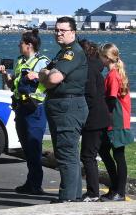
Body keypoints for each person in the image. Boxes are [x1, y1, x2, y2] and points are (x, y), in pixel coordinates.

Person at [39, 16, 88, 203]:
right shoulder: (62, 53)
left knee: (66, 153)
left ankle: (67, 200)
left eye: (63, 30)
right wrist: (45, 73)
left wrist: (45, 75)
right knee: (69, 154)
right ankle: (73, 197)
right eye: (56, 30)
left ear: (73, 33)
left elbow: (52, 78)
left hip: (67, 107)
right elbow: (45, 71)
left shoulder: (72, 53)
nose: (58, 33)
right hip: (63, 106)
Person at [0, 29, 50, 195]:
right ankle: (30, 181)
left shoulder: (42, 62)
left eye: (21, 43)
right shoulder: (20, 61)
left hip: (36, 109)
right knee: (27, 148)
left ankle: (36, 184)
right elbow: (12, 84)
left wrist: (39, 75)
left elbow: (50, 81)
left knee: (34, 147)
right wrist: (4, 74)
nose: (18, 45)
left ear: (29, 45)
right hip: (21, 107)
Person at [98, 43, 133, 202]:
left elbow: (111, 99)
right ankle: (115, 188)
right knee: (105, 151)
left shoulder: (113, 75)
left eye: (100, 56)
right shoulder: (116, 73)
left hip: (116, 120)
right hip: (118, 120)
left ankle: (120, 191)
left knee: (119, 156)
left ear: (106, 58)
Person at [79, 40, 111, 202]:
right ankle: (114, 188)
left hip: (94, 118)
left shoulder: (88, 70)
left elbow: (90, 95)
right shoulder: (95, 68)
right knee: (103, 154)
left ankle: (93, 192)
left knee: (88, 155)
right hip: (101, 116)